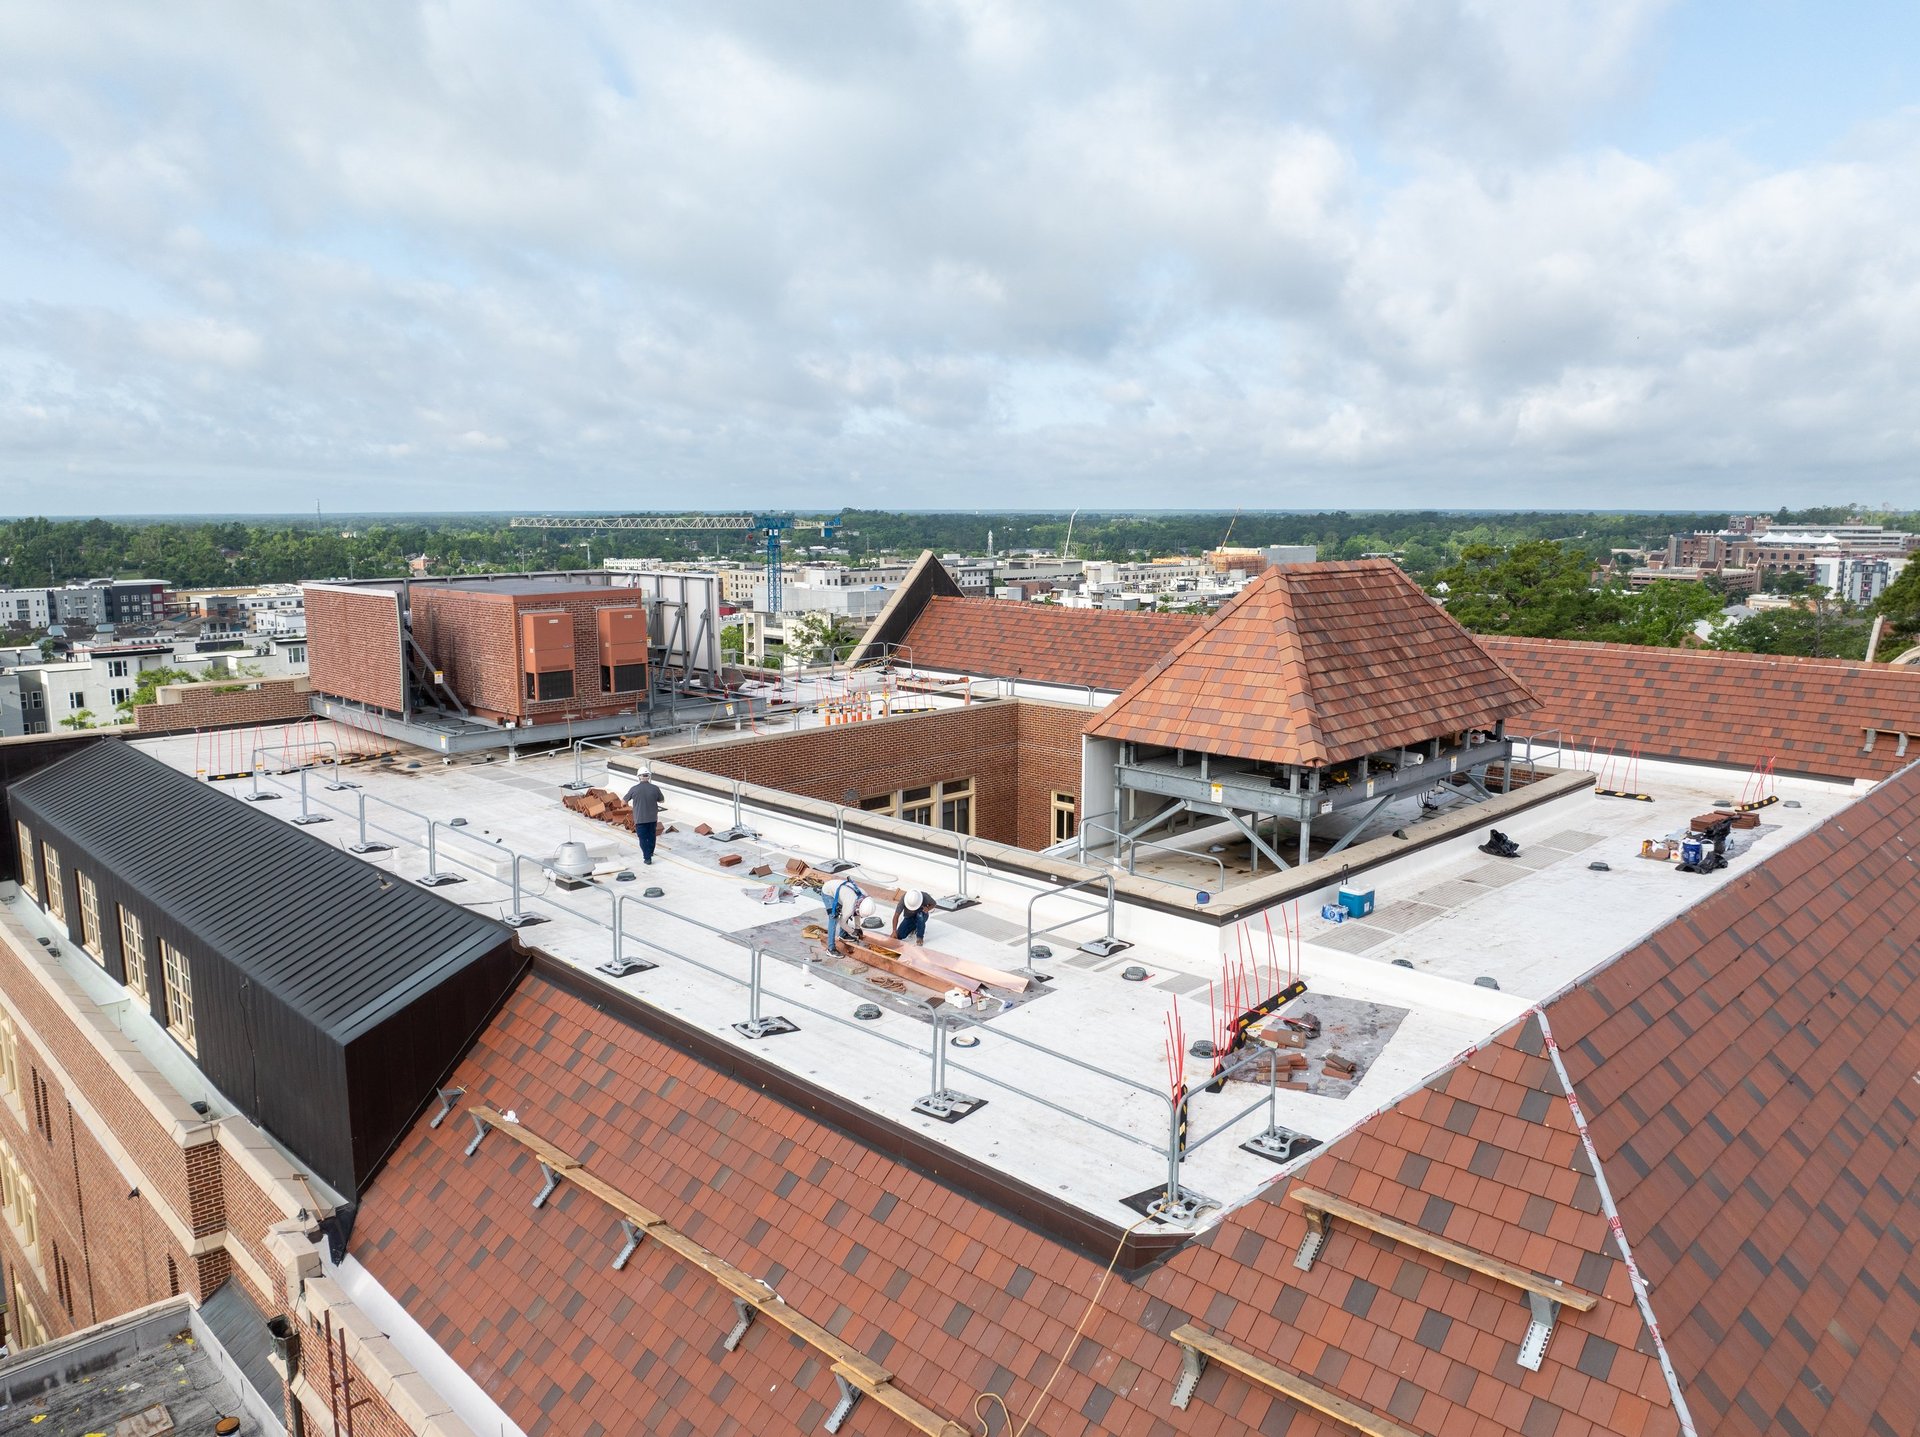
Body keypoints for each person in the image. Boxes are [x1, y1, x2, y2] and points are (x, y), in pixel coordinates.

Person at [622, 769, 666, 865]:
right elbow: (662, 801)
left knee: (642, 838)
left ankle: (647, 858)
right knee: (651, 836)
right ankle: (650, 852)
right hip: (652, 818)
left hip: (640, 819)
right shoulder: (655, 788)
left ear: (639, 777)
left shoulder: (634, 789)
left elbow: (624, 802)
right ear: (649, 776)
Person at [825, 878, 868, 954]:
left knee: (847, 913)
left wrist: (858, 927)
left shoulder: (864, 898)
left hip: (841, 892)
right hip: (828, 891)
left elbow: (857, 912)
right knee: (833, 917)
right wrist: (853, 931)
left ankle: (843, 935)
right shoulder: (850, 905)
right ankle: (831, 949)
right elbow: (842, 923)